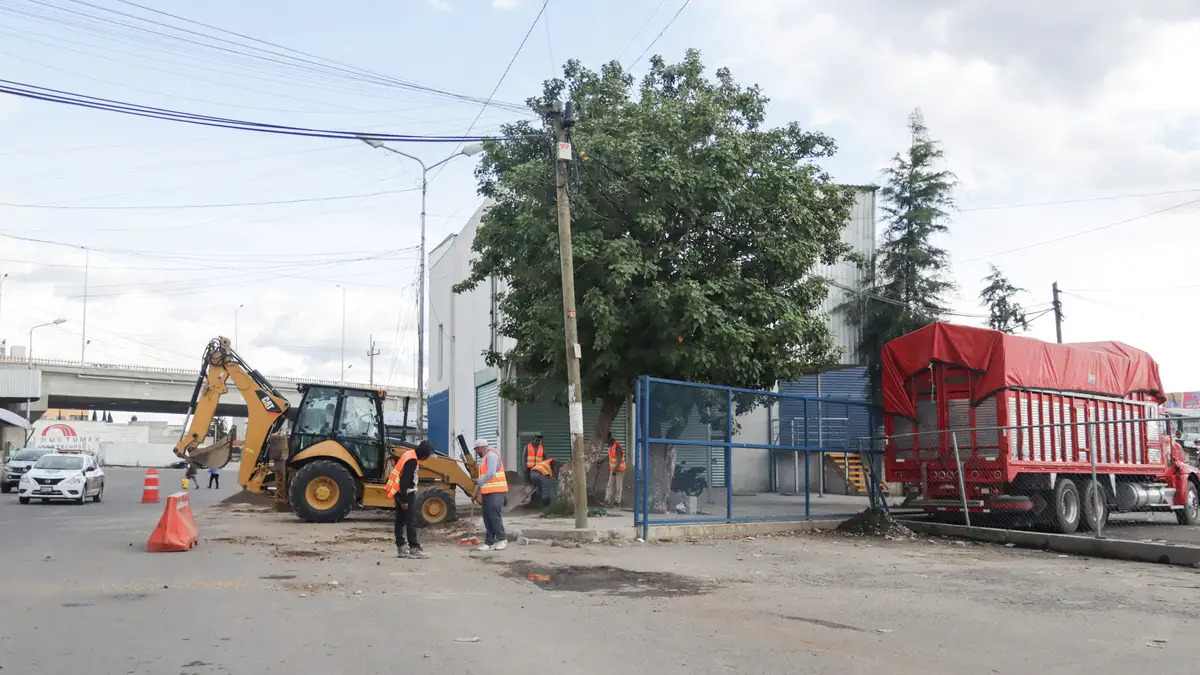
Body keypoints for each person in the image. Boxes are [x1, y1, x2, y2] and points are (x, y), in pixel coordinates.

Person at [386, 441, 433, 559]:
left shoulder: (409, 454)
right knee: (410, 521)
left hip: (398, 491)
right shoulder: (412, 460)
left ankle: (401, 547)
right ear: (424, 454)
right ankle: (414, 548)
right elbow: (405, 481)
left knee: (400, 520)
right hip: (406, 493)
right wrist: (404, 501)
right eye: (428, 455)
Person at [473, 438, 508, 551]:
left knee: (494, 516)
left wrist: (479, 481)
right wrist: (476, 492)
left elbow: (491, 473)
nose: (476, 452)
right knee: (487, 517)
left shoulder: (491, 456)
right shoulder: (485, 458)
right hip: (488, 492)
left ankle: (502, 539)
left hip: (496, 491)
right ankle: (489, 542)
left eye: (476, 449)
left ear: (481, 448)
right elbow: (484, 476)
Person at [605, 434, 626, 506]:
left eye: (606, 440)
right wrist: (602, 460)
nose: (605, 442)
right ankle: (607, 500)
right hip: (613, 469)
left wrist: (615, 470)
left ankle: (617, 501)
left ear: (609, 439)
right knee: (609, 485)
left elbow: (619, 459)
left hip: (619, 469)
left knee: (618, 486)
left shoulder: (617, 446)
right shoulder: (610, 446)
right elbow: (610, 456)